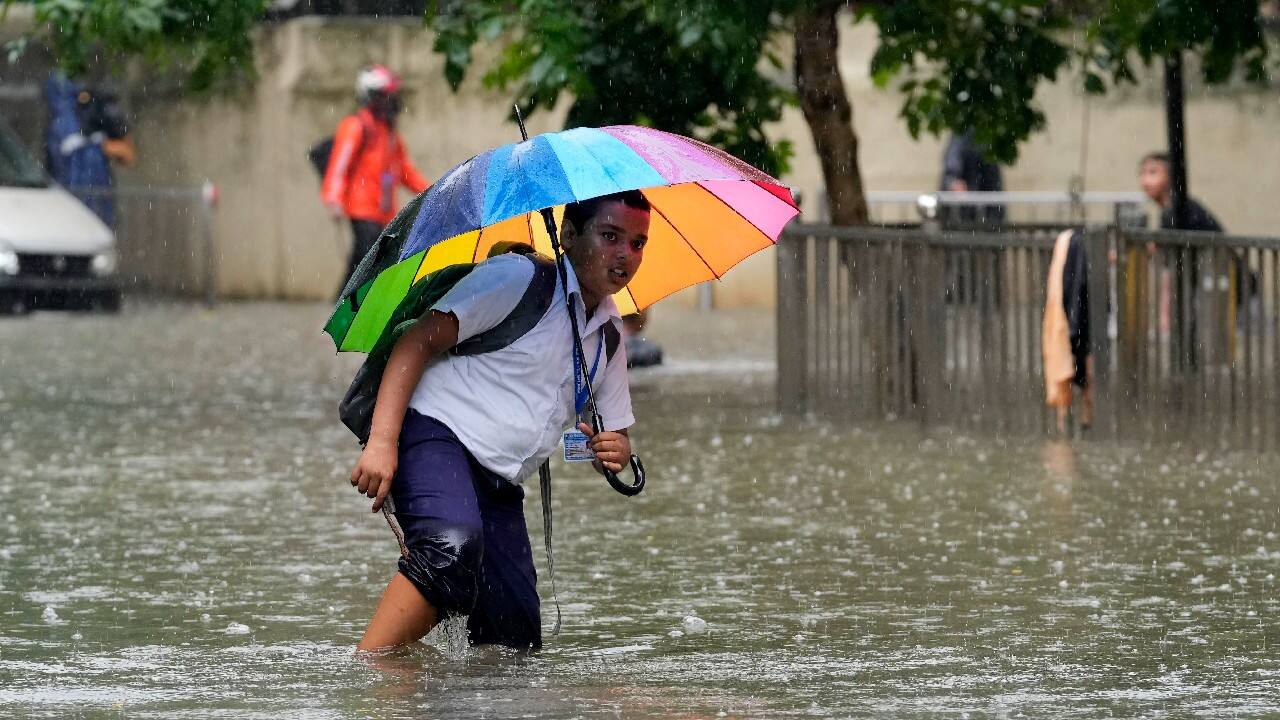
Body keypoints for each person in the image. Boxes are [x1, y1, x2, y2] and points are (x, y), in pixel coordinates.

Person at [347, 190, 649, 651]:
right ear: (568, 234)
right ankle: (372, 669)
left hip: (499, 480)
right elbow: (416, 342)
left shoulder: (608, 336)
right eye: (610, 236)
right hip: (434, 434)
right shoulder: (518, 279)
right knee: (452, 547)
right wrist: (383, 442)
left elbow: (615, 436)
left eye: (638, 243)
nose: (624, 254)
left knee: (515, 637)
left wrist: (615, 451)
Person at [322, 65, 430, 298]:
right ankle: (345, 302)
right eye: (384, 95)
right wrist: (333, 197)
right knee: (364, 257)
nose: (391, 101)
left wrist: (429, 190)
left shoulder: (388, 132)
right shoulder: (356, 126)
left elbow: (403, 170)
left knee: (367, 259)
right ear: (371, 96)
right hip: (361, 207)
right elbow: (339, 165)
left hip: (383, 210)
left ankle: (345, 302)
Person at [44, 72, 135, 226]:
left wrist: (97, 145)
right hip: (66, 199)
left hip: (94, 199)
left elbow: (129, 155)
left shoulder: (99, 108)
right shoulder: (59, 120)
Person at [1137, 152, 1223, 232]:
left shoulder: (1181, 209)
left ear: (1171, 175)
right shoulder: (1170, 209)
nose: (1145, 181)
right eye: (1142, 173)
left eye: (1153, 172)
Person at [939, 128, 1004, 228]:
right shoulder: (967, 131)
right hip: (968, 199)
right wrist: (954, 180)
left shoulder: (985, 133)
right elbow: (953, 158)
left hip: (984, 197)